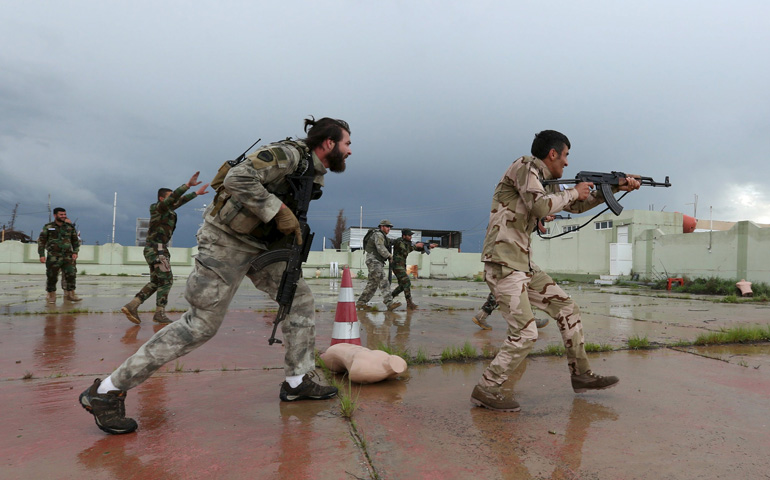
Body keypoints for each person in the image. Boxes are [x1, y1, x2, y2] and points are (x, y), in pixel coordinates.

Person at [79, 117, 352, 434]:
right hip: (225, 242)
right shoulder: (287, 154)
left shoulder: (311, 172)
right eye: (347, 143)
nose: (349, 151)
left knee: (299, 298)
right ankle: (105, 391)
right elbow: (237, 178)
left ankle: (296, 381)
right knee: (200, 326)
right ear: (329, 143)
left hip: (261, 247)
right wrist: (278, 211)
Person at [470, 129, 641, 412]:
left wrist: (615, 189)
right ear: (552, 154)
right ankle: (487, 387)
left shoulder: (544, 181)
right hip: (503, 261)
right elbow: (540, 206)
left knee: (566, 308)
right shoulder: (525, 166)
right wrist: (574, 190)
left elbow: (575, 205)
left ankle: (581, 375)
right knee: (525, 334)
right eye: (565, 156)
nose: (567, 163)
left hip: (521, 263)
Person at [121, 174, 210, 324]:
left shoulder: (168, 210)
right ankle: (159, 313)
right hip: (157, 250)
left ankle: (132, 305)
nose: (173, 200)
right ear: (162, 199)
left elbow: (179, 201)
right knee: (166, 281)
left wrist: (196, 193)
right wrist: (187, 185)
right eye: (169, 197)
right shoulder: (158, 208)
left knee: (156, 281)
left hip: (156, 250)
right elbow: (175, 198)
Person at [356, 219, 401, 311]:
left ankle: (361, 303)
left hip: (374, 261)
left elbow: (391, 242)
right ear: (382, 227)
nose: (389, 229)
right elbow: (380, 247)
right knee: (383, 280)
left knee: (372, 284)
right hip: (374, 261)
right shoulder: (378, 235)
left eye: (390, 227)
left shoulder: (383, 236)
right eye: (387, 227)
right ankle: (389, 303)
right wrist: (389, 256)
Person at [38, 207, 81, 303]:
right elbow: (42, 241)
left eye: (64, 214)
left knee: (71, 274)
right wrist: (41, 254)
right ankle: (51, 296)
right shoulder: (49, 227)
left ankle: (71, 294)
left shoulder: (69, 227)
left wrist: (75, 252)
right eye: (61, 214)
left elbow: (75, 241)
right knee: (52, 276)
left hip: (68, 256)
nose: (63, 216)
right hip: (53, 256)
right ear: (55, 215)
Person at [390, 229, 435, 310]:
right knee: (407, 282)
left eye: (411, 235)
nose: (411, 237)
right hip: (397, 265)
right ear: (404, 236)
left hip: (402, 266)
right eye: (409, 235)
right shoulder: (399, 242)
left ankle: (389, 298)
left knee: (403, 286)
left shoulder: (408, 243)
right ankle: (409, 303)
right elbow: (405, 250)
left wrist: (428, 247)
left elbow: (416, 248)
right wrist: (416, 245)